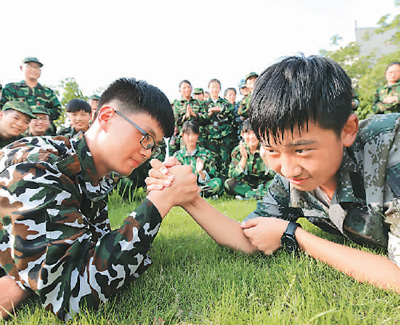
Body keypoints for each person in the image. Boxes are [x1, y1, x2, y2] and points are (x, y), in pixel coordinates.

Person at [147, 55, 400, 295]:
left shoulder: (390, 148)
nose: (288, 170)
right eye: (271, 150)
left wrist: (296, 236)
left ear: (347, 130)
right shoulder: (289, 181)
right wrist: (190, 198)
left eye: (302, 150)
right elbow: (249, 237)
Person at [0, 77, 199, 320]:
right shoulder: (38, 169)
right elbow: (72, 296)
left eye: (154, 147)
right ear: (106, 117)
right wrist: (159, 203)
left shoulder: (93, 172)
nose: (147, 152)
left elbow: (94, 248)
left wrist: (21, 283)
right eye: (146, 137)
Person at [0, 57, 62, 135]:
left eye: (37, 67)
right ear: (21, 68)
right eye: (29, 66)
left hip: (44, 135)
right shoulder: (11, 89)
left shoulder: (48, 92)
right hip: (16, 133)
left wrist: (41, 112)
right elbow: (2, 109)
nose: (33, 70)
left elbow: (58, 111)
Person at [225, 119, 274, 200]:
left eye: (254, 133)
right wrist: (243, 159)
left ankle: (248, 196)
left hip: (265, 183)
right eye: (248, 133)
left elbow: (275, 174)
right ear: (242, 134)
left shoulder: (268, 148)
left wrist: (265, 157)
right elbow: (233, 175)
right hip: (247, 184)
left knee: (278, 183)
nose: (251, 137)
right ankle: (259, 194)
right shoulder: (237, 151)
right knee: (228, 183)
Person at [174, 121, 222, 197]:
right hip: (185, 187)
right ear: (182, 135)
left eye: (193, 134)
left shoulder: (206, 154)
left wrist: (201, 172)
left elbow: (212, 176)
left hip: (202, 186)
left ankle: (196, 194)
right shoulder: (177, 156)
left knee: (217, 182)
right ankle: (198, 195)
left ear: (198, 135)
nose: (190, 138)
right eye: (188, 135)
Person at [203, 78, 236, 180]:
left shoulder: (224, 102)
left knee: (224, 159)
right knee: (212, 159)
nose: (215, 90)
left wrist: (220, 109)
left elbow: (230, 109)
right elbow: (201, 117)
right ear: (209, 89)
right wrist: (210, 113)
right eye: (212, 87)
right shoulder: (204, 104)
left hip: (224, 134)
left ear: (220, 89)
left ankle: (224, 181)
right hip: (211, 135)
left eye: (217, 87)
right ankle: (214, 181)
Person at [172, 80, 207, 149]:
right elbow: (176, 121)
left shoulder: (199, 103)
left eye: (188, 87)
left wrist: (195, 115)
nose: (187, 89)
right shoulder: (177, 104)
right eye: (184, 88)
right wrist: (186, 117)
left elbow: (206, 118)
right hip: (185, 137)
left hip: (198, 136)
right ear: (180, 90)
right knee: (185, 157)